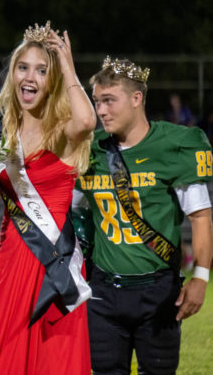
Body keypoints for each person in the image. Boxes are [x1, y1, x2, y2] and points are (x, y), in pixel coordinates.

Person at [0, 21, 95, 374]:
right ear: (12, 74)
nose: (30, 77)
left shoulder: (62, 131)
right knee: (0, 357)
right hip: (10, 262)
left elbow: (86, 120)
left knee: (52, 360)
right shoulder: (0, 137)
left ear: (51, 81)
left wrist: (66, 62)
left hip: (52, 265)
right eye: (23, 67)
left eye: (41, 70)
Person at [73, 57, 213, 374]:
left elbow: (201, 217)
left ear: (137, 99)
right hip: (103, 292)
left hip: (158, 291)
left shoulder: (176, 145)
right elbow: (67, 206)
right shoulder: (89, 150)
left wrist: (201, 278)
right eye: (97, 101)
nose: (101, 111)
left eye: (109, 100)